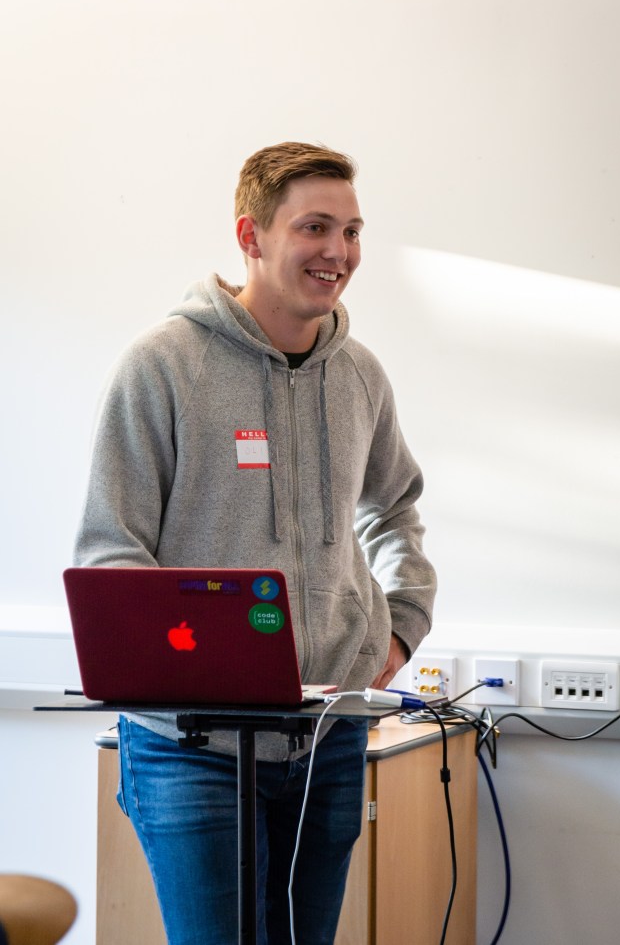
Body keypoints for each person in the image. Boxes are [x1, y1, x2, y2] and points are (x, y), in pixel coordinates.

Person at [73, 142, 437, 945]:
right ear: (251, 235)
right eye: (314, 227)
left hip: (327, 735)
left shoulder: (359, 375)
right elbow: (111, 550)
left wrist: (401, 625)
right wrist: (189, 663)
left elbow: (394, 509)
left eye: (351, 231)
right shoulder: (161, 366)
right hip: (190, 745)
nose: (338, 251)